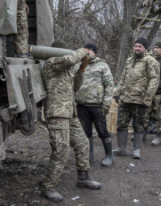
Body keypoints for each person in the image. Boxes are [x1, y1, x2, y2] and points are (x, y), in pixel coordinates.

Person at [40, 39, 101, 202]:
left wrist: (81, 69)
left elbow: (75, 87)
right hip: (57, 113)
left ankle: (83, 178)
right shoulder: (51, 63)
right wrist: (84, 50)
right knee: (61, 149)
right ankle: (48, 186)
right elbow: (69, 59)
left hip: (70, 113)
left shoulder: (67, 69)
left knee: (82, 143)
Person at [112, 37, 159, 159]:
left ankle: (136, 150)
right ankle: (121, 148)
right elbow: (123, 78)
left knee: (138, 126)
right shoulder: (129, 60)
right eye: (136, 46)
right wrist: (117, 92)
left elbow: (154, 80)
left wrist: (148, 98)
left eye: (140, 46)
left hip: (140, 100)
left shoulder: (150, 61)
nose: (137, 48)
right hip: (126, 99)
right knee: (121, 124)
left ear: (145, 48)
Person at [75, 43, 114, 167]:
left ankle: (109, 156)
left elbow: (109, 85)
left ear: (95, 53)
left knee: (102, 131)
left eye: (90, 50)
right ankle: (89, 156)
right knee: (85, 133)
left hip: (97, 106)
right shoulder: (78, 65)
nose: (87, 52)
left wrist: (107, 104)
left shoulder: (103, 66)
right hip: (81, 105)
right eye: (85, 50)